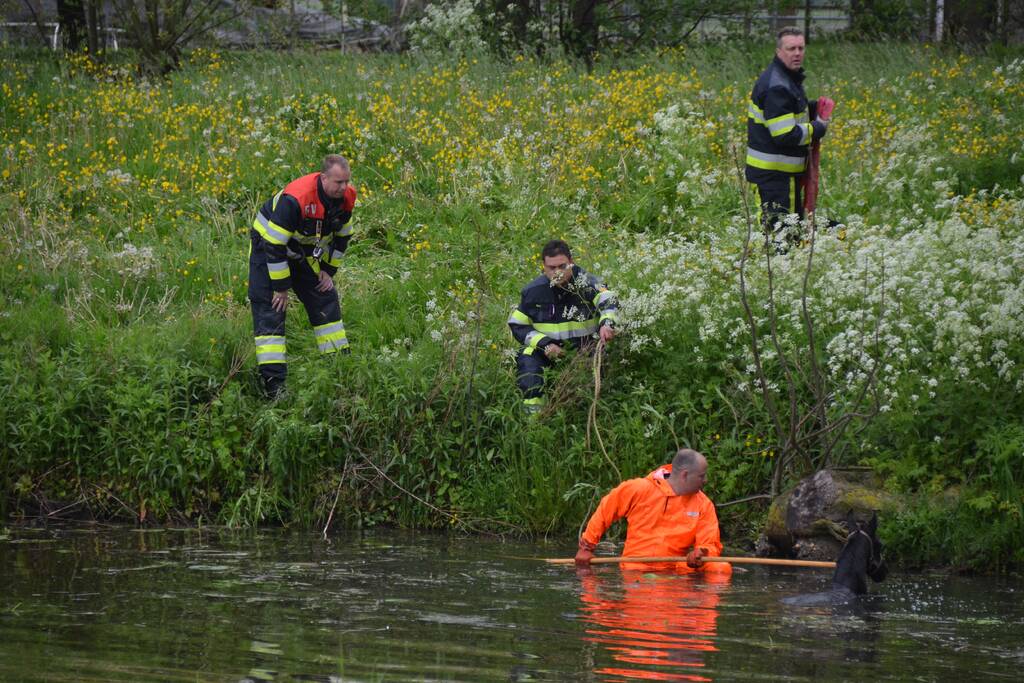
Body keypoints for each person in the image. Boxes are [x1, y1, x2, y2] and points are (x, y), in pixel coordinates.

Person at [248, 154, 356, 398]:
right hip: (268, 246)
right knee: (271, 309)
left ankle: (340, 369)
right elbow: (274, 244)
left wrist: (328, 271)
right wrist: (281, 288)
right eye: (338, 182)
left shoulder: (347, 197)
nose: (343, 188)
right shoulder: (296, 198)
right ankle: (275, 388)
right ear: (324, 177)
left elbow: (343, 237)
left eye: (346, 182)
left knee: (325, 296)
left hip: (300, 250)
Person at [575, 448, 731, 574]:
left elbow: (709, 543)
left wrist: (701, 553)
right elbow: (605, 510)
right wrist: (586, 548)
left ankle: (703, 609)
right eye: (702, 476)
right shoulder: (639, 488)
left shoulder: (704, 504)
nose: (705, 481)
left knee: (720, 567)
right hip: (635, 567)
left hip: (676, 570)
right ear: (685, 475)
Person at [745, 27, 834, 245]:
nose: (797, 53)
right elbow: (785, 134)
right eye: (791, 48)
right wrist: (818, 127)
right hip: (774, 177)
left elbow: (791, 115)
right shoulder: (778, 86)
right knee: (781, 239)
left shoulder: (787, 78)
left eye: (800, 48)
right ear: (778, 51)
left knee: (789, 235)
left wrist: (813, 108)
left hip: (782, 175)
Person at [507, 240, 619, 413]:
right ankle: (534, 420)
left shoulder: (587, 282)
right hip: (548, 351)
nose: (558, 272)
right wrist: (545, 344)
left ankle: (594, 411)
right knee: (528, 358)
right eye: (552, 268)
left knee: (596, 376)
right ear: (543, 266)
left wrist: (607, 324)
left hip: (584, 350)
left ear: (571, 262)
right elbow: (518, 325)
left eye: (562, 266)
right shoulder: (533, 291)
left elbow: (608, 300)